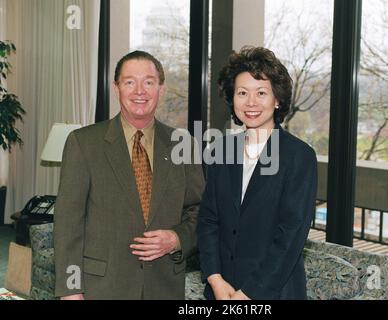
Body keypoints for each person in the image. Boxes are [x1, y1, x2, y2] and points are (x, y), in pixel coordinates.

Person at [54, 50, 205, 300]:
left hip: (165, 286)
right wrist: (71, 289)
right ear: (116, 88)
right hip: (102, 288)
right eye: (129, 82)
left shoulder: (183, 145)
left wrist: (177, 238)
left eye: (148, 82)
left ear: (161, 89)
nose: (139, 91)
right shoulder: (83, 143)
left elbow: (199, 211)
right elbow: (69, 222)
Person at [197, 46, 317, 300]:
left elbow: (291, 235)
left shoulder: (299, 156)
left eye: (261, 93)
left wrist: (249, 294)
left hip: (273, 292)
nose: (251, 102)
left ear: (277, 100)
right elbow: (208, 220)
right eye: (242, 93)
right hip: (222, 291)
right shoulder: (222, 149)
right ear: (233, 99)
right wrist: (215, 279)